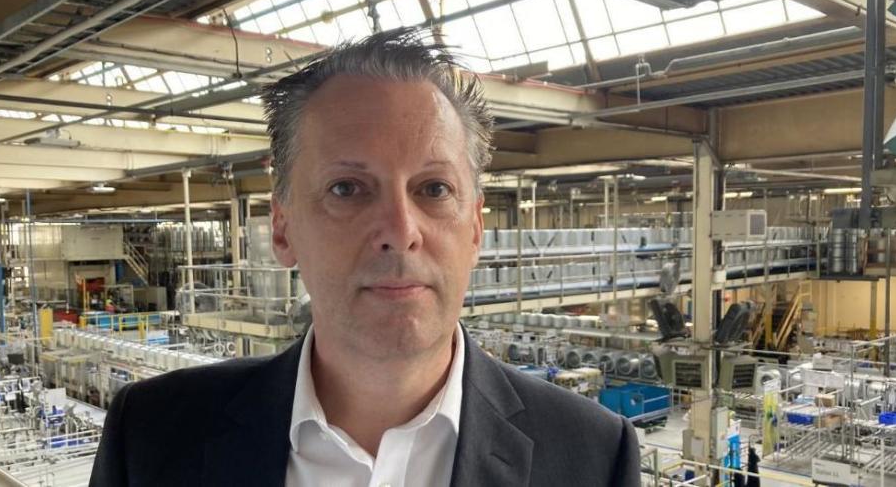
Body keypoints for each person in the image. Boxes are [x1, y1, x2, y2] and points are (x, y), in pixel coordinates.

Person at [89, 27, 640, 487]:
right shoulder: (153, 437)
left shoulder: (591, 457)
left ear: (475, 229)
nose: (400, 232)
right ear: (283, 229)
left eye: (434, 189)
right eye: (348, 189)